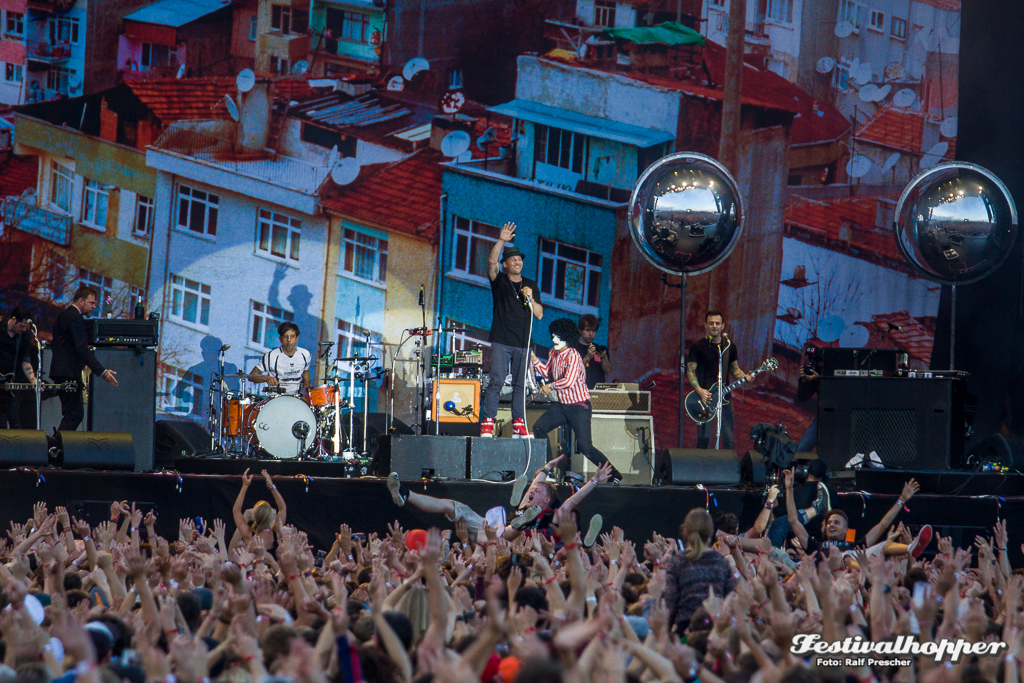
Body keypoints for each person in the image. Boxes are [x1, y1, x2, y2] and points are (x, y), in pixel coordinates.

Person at [386, 456, 613, 544]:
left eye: (539, 491)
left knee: (514, 529)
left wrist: (594, 480)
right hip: (491, 529)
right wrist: (545, 468)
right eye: (533, 489)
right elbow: (536, 482)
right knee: (452, 506)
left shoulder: (553, 514)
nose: (533, 490)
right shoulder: (527, 502)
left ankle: (517, 526)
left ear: (547, 500)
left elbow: (572, 502)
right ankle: (406, 494)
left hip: (511, 543)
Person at [530, 317, 622, 482]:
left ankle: (614, 474)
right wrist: (534, 359)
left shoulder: (573, 355)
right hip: (563, 406)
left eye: (557, 337)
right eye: (552, 336)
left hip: (579, 407)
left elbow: (569, 381)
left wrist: (550, 387)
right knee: (539, 428)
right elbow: (546, 372)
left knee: (586, 448)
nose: (553, 340)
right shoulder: (553, 352)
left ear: (566, 337)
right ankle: (549, 471)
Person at [479, 222, 543, 438]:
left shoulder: (530, 284)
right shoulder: (499, 281)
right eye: (513, 259)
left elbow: (539, 314)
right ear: (505, 264)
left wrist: (531, 298)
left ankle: (518, 422)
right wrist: (502, 240)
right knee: (496, 379)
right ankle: (488, 421)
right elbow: (491, 262)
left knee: (519, 383)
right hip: (501, 339)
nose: (518, 262)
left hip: (523, 342)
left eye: (520, 259)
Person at [50, 286, 118, 431]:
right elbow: (82, 349)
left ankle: (57, 446)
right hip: (69, 372)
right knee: (74, 415)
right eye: (91, 303)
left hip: (60, 371)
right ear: (81, 301)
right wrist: (102, 372)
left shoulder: (63, 315)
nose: (94, 306)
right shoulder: (76, 318)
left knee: (73, 414)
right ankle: (55, 447)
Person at [664, 508, 734, 637]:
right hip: (716, 630)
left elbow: (670, 602)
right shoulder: (721, 561)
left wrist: (665, 634)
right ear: (711, 532)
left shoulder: (678, 561)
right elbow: (730, 598)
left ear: (685, 531)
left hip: (686, 632)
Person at [685, 310, 748, 449]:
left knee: (728, 439)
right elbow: (690, 371)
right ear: (705, 325)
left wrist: (745, 377)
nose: (714, 326)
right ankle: (701, 470)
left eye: (717, 323)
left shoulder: (729, 347)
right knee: (703, 439)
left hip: (724, 396)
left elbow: (735, 370)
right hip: (704, 398)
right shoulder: (698, 347)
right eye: (711, 323)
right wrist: (699, 390)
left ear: (723, 326)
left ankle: (728, 470)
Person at [0, 305, 39, 429]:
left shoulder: (24, 336)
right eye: (21, 326)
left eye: (25, 327)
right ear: (13, 319)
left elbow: (25, 360)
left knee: (14, 419)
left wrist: (34, 381)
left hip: (12, 382)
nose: (23, 329)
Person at [249, 322, 310, 397]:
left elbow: (306, 371)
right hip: (276, 399)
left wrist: (307, 384)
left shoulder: (305, 354)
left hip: (297, 398)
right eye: (285, 337)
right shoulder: (270, 356)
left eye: (292, 336)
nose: (289, 340)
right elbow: (251, 376)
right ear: (280, 339)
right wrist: (266, 378)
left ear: (297, 338)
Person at [572, 314, 611, 389]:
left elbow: (608, 371)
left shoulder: (600, 348)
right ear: (580, 331)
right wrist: (588, 357)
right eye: (588, 330)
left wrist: (604, 357)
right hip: (579, 392)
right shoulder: (573, 349)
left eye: (594, 331)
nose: (591, 334)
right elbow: (573, 371)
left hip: (599, 392)